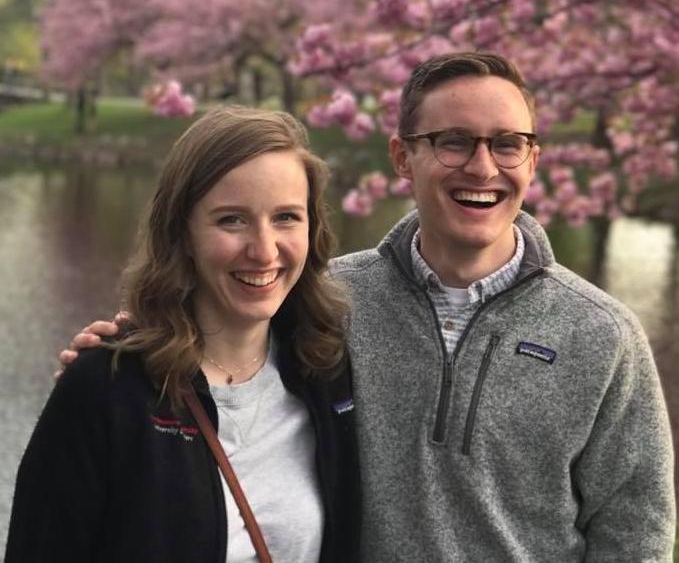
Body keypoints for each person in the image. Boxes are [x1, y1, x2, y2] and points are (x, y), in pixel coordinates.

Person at [56, 52, 675, 562]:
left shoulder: (602, 335)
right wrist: (119, 364)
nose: (482, 166)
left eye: (508, 144)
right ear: (403, 156)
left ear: (533, 159)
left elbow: (636, 537)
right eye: (453, 141)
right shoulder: (326, 299)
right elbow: (214, 327)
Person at [5, 107, 361, 563]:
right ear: (182, 231)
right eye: (231, 220)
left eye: (286, 217)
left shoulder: (327, 374)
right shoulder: (108, 388)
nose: (264, 250)